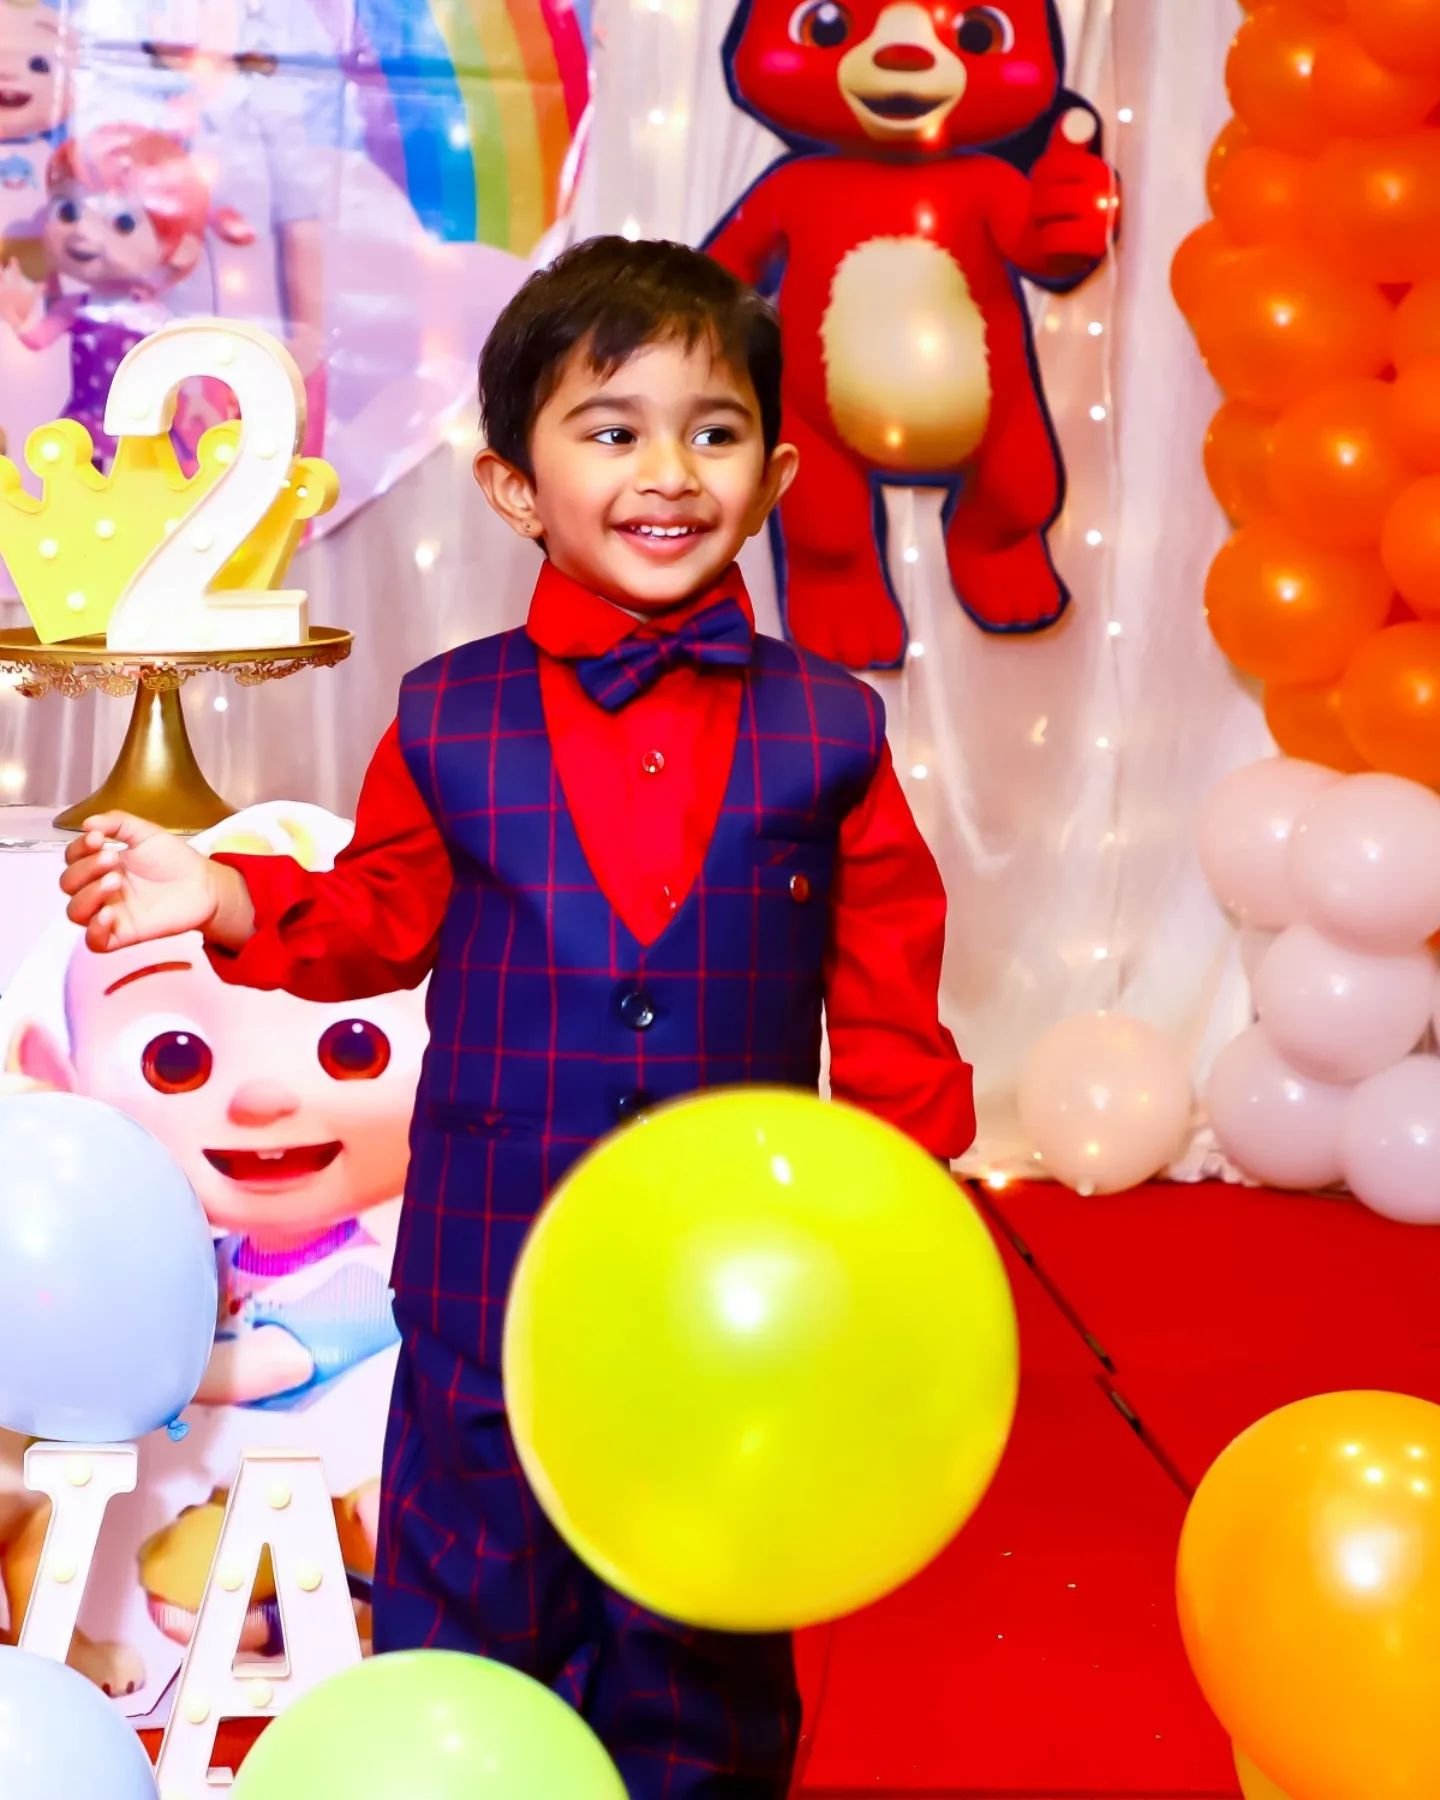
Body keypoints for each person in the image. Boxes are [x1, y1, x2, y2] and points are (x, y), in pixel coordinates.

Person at [59, 235, 975, 1797]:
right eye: (611, 431)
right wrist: (224, 898)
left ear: (773, 474)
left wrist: (901, 1213)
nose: (667, 472)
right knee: (472, 1606)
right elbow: (374, 920)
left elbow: (890, 1002)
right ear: (512, 486)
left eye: (713, 431)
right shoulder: (449, 712)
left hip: (719, 1282)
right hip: (487, 1266)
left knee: (698, 1629)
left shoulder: (832, 729)